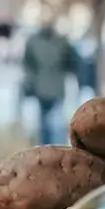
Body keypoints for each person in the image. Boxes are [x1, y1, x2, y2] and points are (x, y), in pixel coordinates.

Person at [20, 17, 77, 146]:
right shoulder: (33, 41)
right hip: (41, 89)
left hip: (56, 89)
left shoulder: (61, 42)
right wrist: (30, 81)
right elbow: (27, 64)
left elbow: (71, 62)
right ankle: (45, 149)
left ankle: (58, 151)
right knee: (43, 126)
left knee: (56, 125)